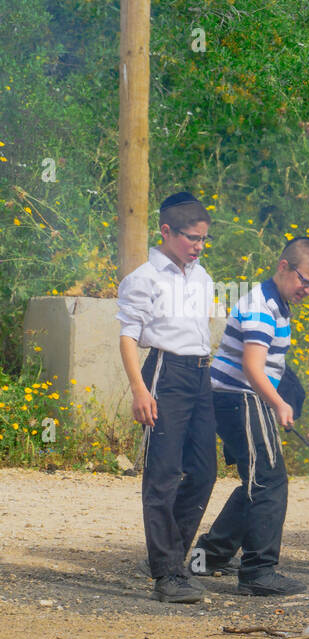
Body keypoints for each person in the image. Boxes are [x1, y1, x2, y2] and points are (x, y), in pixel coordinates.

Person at [190, 237, 309, 596]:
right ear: (284, 267)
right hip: (238, 398)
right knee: (269, 481)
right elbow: (252, 368)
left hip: (243, 398)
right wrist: (279, 403)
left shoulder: (278, 303)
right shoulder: (261, 307)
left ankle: (210, 554)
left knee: (258, 479)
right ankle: (258, 572)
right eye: (305, 281)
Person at [117, 191, 218, 604]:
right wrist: (140, 390)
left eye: (203, 240)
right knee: (163, 474)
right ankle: (167, 575)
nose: (198, 246)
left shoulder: (202, 276)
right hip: (164, 373)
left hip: (200, 374)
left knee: (204, 470)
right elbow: (127, 336)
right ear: (166, 231)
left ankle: (168, 555)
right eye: (191, 238)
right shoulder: (144, 278)